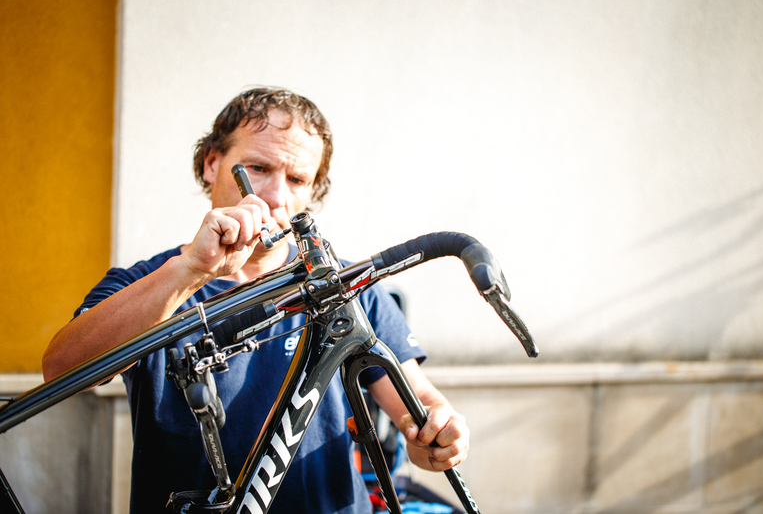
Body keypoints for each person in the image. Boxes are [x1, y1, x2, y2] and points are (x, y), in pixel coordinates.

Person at [42, 87, 469, 513]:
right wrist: (191, 270)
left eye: (297, 180)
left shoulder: (350, 286)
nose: (276, 196)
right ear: (212, 164)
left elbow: (417, 403)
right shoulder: (147, 284)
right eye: (259, 168)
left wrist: (435, 433)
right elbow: (60, 370)